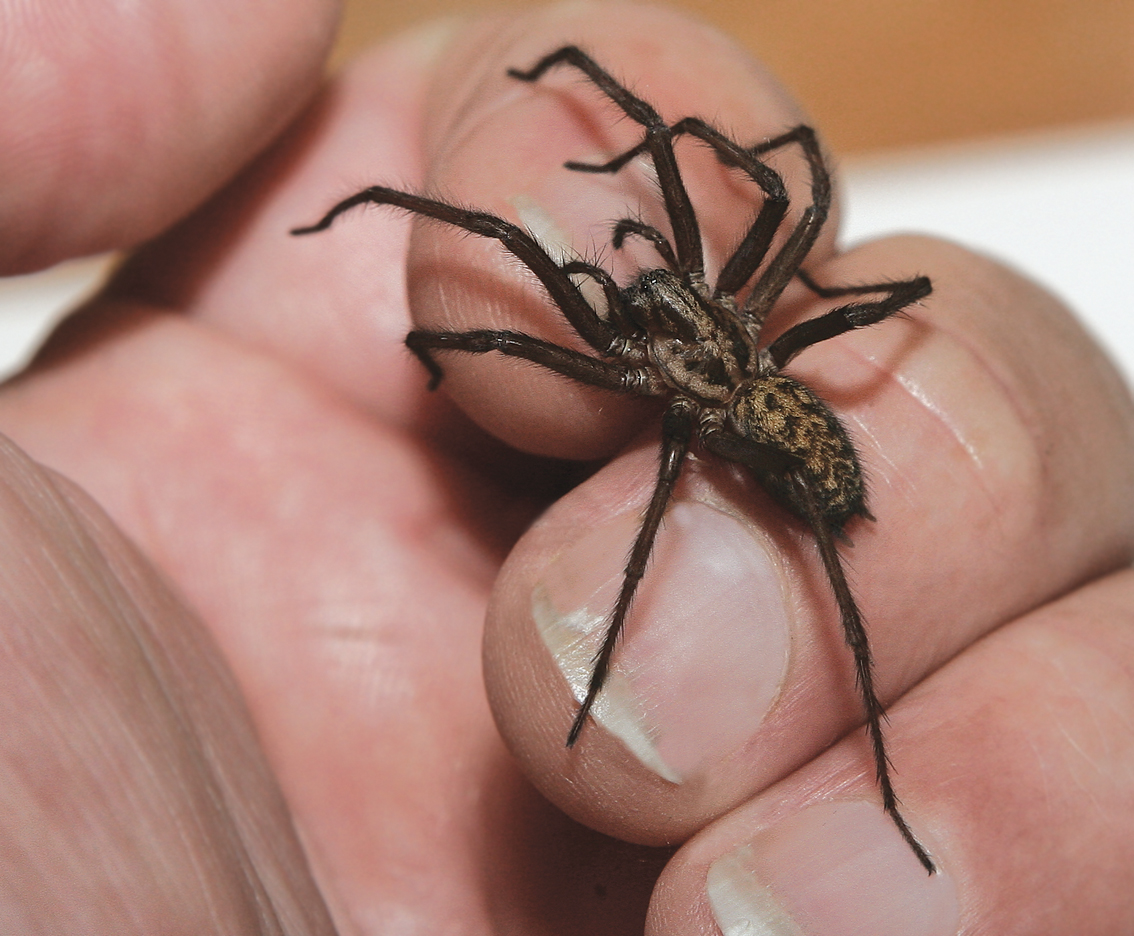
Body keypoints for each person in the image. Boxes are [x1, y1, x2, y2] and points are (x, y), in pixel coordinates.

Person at [2, 2, 1132, 933]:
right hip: (753, 391)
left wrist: (809, 278)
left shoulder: (676, 375)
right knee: (527, 261)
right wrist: (436, 317)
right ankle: (866, 768)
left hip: (774, 422)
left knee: (728, 495)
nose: (652, 281)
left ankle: (878, 772)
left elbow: (776, 185)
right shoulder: (686, 342)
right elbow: (560, 256)